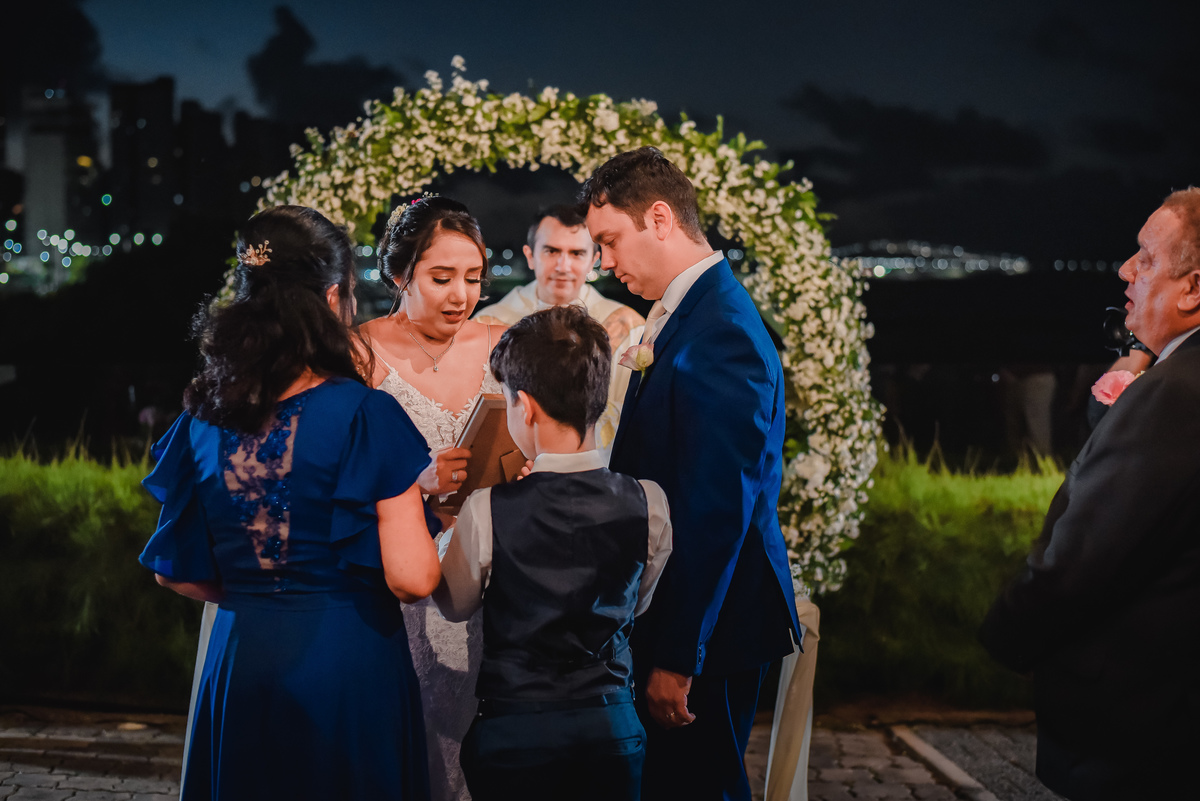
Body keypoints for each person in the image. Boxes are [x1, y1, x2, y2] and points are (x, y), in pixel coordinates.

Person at [139, 205, 440, 801]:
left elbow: (173, 572)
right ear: (332, 298)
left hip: (241, 659)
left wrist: (259, 595)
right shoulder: (366, 415)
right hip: (345, 662)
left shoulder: (203, 418)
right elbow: (412, 578)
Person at [580, 147, 803, 801]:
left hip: (713, 624)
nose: (603, 263)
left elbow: (716, 509)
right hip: (689, 613)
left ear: (659, 218)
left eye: (608, 241)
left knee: (701, 787)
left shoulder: (722, 332)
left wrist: (680, 655)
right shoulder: (690, 312)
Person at [981, 187, 1200, 800]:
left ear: (1193, 289)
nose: (1126, 270)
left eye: (1146, 259)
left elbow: (1088, 549)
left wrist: (1005, 637)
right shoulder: (1170, 380)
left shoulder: (1176, 395)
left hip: (1142, 723)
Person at [433, 305, 673, 801]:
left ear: (525, 407)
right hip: (611, 729)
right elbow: (636, 604)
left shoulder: (487, 509)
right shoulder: (649, 501)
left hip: (516, 733)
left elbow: (454, 606)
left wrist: (443, 523)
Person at [361, 196, 502, 801]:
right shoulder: (358, 354)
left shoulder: (503, 344)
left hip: (490, 575)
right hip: (399, 575)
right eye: (441, 278)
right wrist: (415, 484)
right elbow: (337, 473)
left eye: (472, 278)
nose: (460, 296)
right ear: (400, 274)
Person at [473, 205, 646, 454]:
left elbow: (631, 420)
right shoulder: (488, 324)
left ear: (593, 260)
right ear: (530, 255)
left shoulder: (627, 327)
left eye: (576, 253)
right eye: (551, 251)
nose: (563, 266)